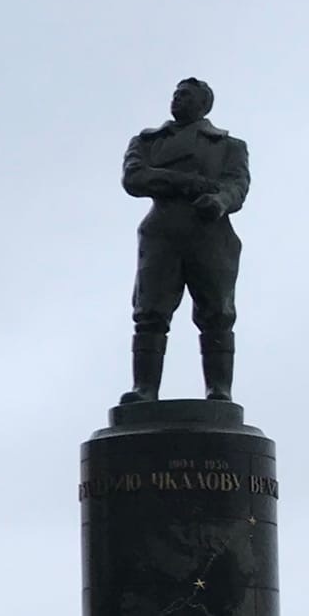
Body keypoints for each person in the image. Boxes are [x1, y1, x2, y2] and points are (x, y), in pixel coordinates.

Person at [119, 77, 251, 404]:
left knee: (217, 313)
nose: (177, 100)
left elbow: (237, 186)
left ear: (204, 105)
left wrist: (219, 201)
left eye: (186, 96)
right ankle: (144, 389)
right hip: (163, 232)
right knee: (150, 312)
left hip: (210, 233)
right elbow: (134, 178)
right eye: (175, 94)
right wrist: (184, 182)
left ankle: (219, 390)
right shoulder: (148, 142)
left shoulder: (229, 147)